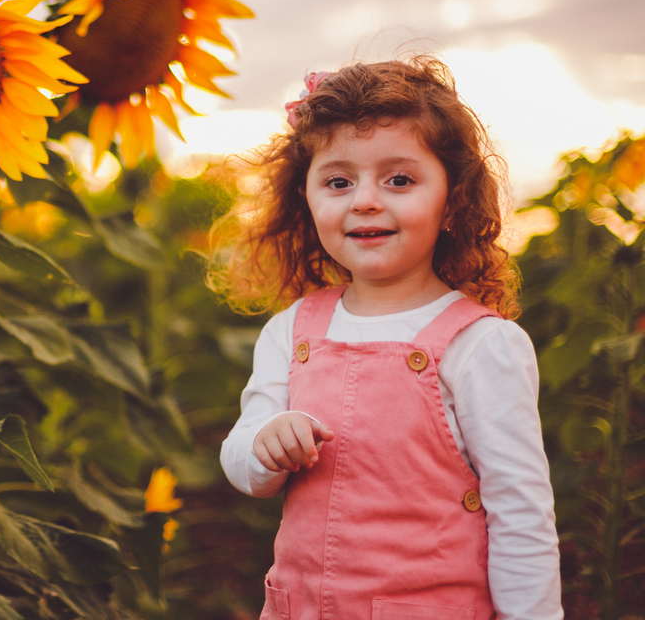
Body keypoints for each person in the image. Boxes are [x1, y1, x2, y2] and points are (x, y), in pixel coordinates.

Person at [214, 58, 562, 620]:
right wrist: (264, 444)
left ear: (453, 201)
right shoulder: (291, 330)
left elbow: (521, 515)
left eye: (399, 180)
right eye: (338, 182)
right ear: (306, 198)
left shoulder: (481, 345)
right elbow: (240, 461)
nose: (365, 200)